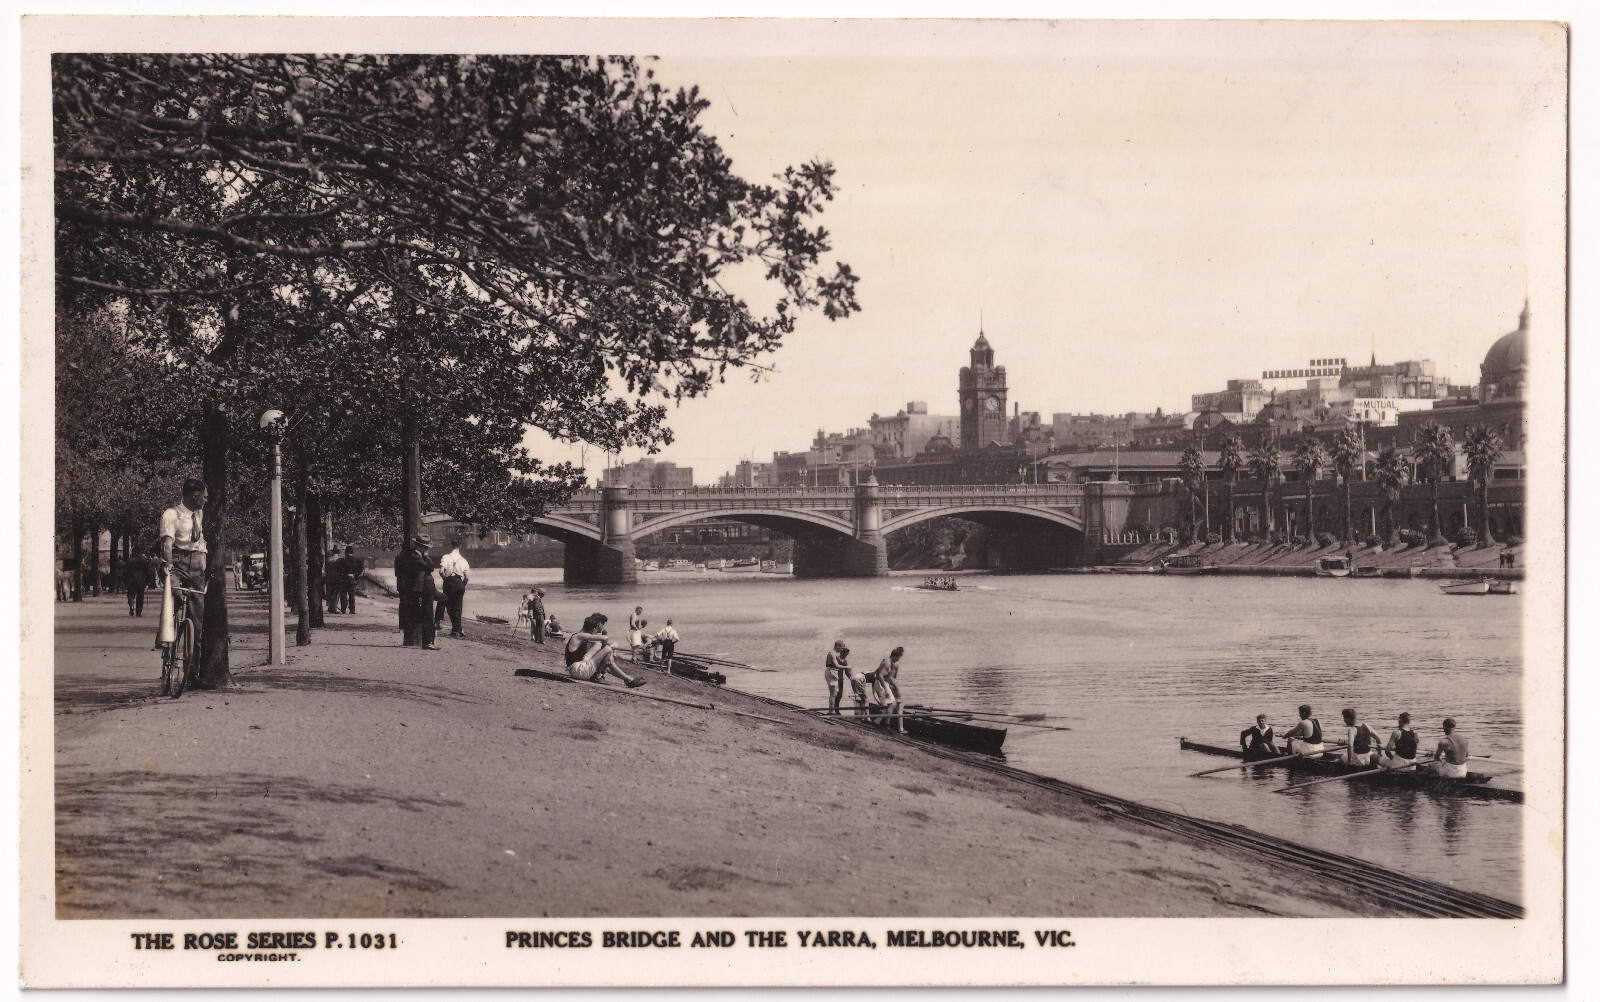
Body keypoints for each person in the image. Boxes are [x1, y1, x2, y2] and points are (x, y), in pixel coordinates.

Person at [160, 477, 209, 659]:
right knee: (173, 602)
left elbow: (200, 540)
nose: (205, 500)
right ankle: (168, 646)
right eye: (204, 496)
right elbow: (167, 544)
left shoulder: (198, 515)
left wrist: (202, 557)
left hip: (196, 567)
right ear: (194, 495)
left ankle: (192, 672)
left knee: (197, 622)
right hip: (177, 565)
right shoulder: (172, 515)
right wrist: (169, 569)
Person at [564, 613, 646, 687]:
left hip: (577, 671)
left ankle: (628, 679)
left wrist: (606, 655)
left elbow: (607, 664)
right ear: (595, 627)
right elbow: (605, 638)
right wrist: (607, 648)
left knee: (605, 652)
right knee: (606, 648)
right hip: (578, 671)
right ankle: (598, 676)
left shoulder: (581, 638)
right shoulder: (578, 636)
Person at [394, 534, 439, 650]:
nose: (427, 549)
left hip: (420, 587)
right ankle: (427, 641)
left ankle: (427, 641)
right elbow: (431, 567)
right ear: (420, 547)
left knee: (424, 613)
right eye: (425, 547)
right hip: (422, 588)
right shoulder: (416, 557)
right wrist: (427, 556)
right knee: (427, 614)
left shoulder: (414, 557)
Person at [433, 538, 471, 637]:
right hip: (460, 583)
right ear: (460, 546)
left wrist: (446, 580)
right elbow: (467, 577)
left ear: (451, 546)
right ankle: (458, 629)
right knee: (458, 607)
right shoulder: (464, 560)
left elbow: (441, 571)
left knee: (449, 607)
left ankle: (456, 630)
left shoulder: (446, 557)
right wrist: (462, 584)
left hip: (449, 582)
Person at [874, 647, 905, 732]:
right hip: (880, 683)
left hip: (882, 683)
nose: (898, 660)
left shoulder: (889, 662)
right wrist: (885, 686)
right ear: (895, 656)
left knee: (890, 704)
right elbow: (880, 675)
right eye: (898, 658)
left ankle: (879, 722)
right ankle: (884, 724)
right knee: (892, 703)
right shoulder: (887, 663)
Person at [123, 545, 155, 618]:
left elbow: (125, 572)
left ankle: (131, 606)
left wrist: (125, 581)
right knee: (140, 596)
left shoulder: (129, 560)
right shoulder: (144, 560)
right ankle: (138, 612)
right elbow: (148, 571)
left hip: (131, 581)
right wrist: (148, 581)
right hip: (141, 581)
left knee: (130, 594)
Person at [824, 641, 850, 715]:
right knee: (833, 693)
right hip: (832, 672)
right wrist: (847, 667)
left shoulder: (835, 654)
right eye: (841, 648)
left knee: (834, 693)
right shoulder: (832, 654)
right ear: (837, 646)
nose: (841, 650)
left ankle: (831, 710)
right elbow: (837, 665)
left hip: (833, 672)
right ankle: (831, 711)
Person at [338, 546, 364, 614]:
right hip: (353, 579)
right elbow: (360, 570)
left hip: (344, 578)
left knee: (343, 593)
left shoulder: (342, 560)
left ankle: (343, 609)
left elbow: (339, 570)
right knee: (352, 594)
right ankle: (352, 609)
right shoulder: (357, 561)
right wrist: (354, 575)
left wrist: (345, 574)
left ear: (346, 552)